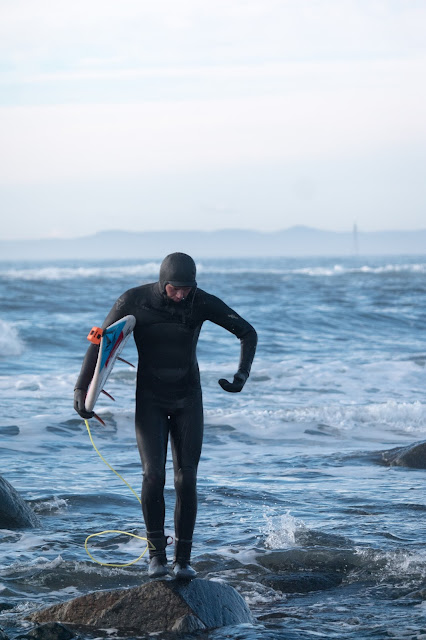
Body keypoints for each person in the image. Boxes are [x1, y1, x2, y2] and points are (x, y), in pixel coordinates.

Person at [74, 252, 257, 579]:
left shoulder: (200, 301)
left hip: (189, 399)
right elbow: (99, 339)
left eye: (187, 288)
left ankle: (183, 560)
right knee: (153, 476)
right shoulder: (133, 300)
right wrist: (81, 390)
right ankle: (157, 557)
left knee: (186, 479)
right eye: (175, 288)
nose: (182, 294)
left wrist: (241, 376)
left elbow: (247, 332)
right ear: (163, 282)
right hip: (150, 400)